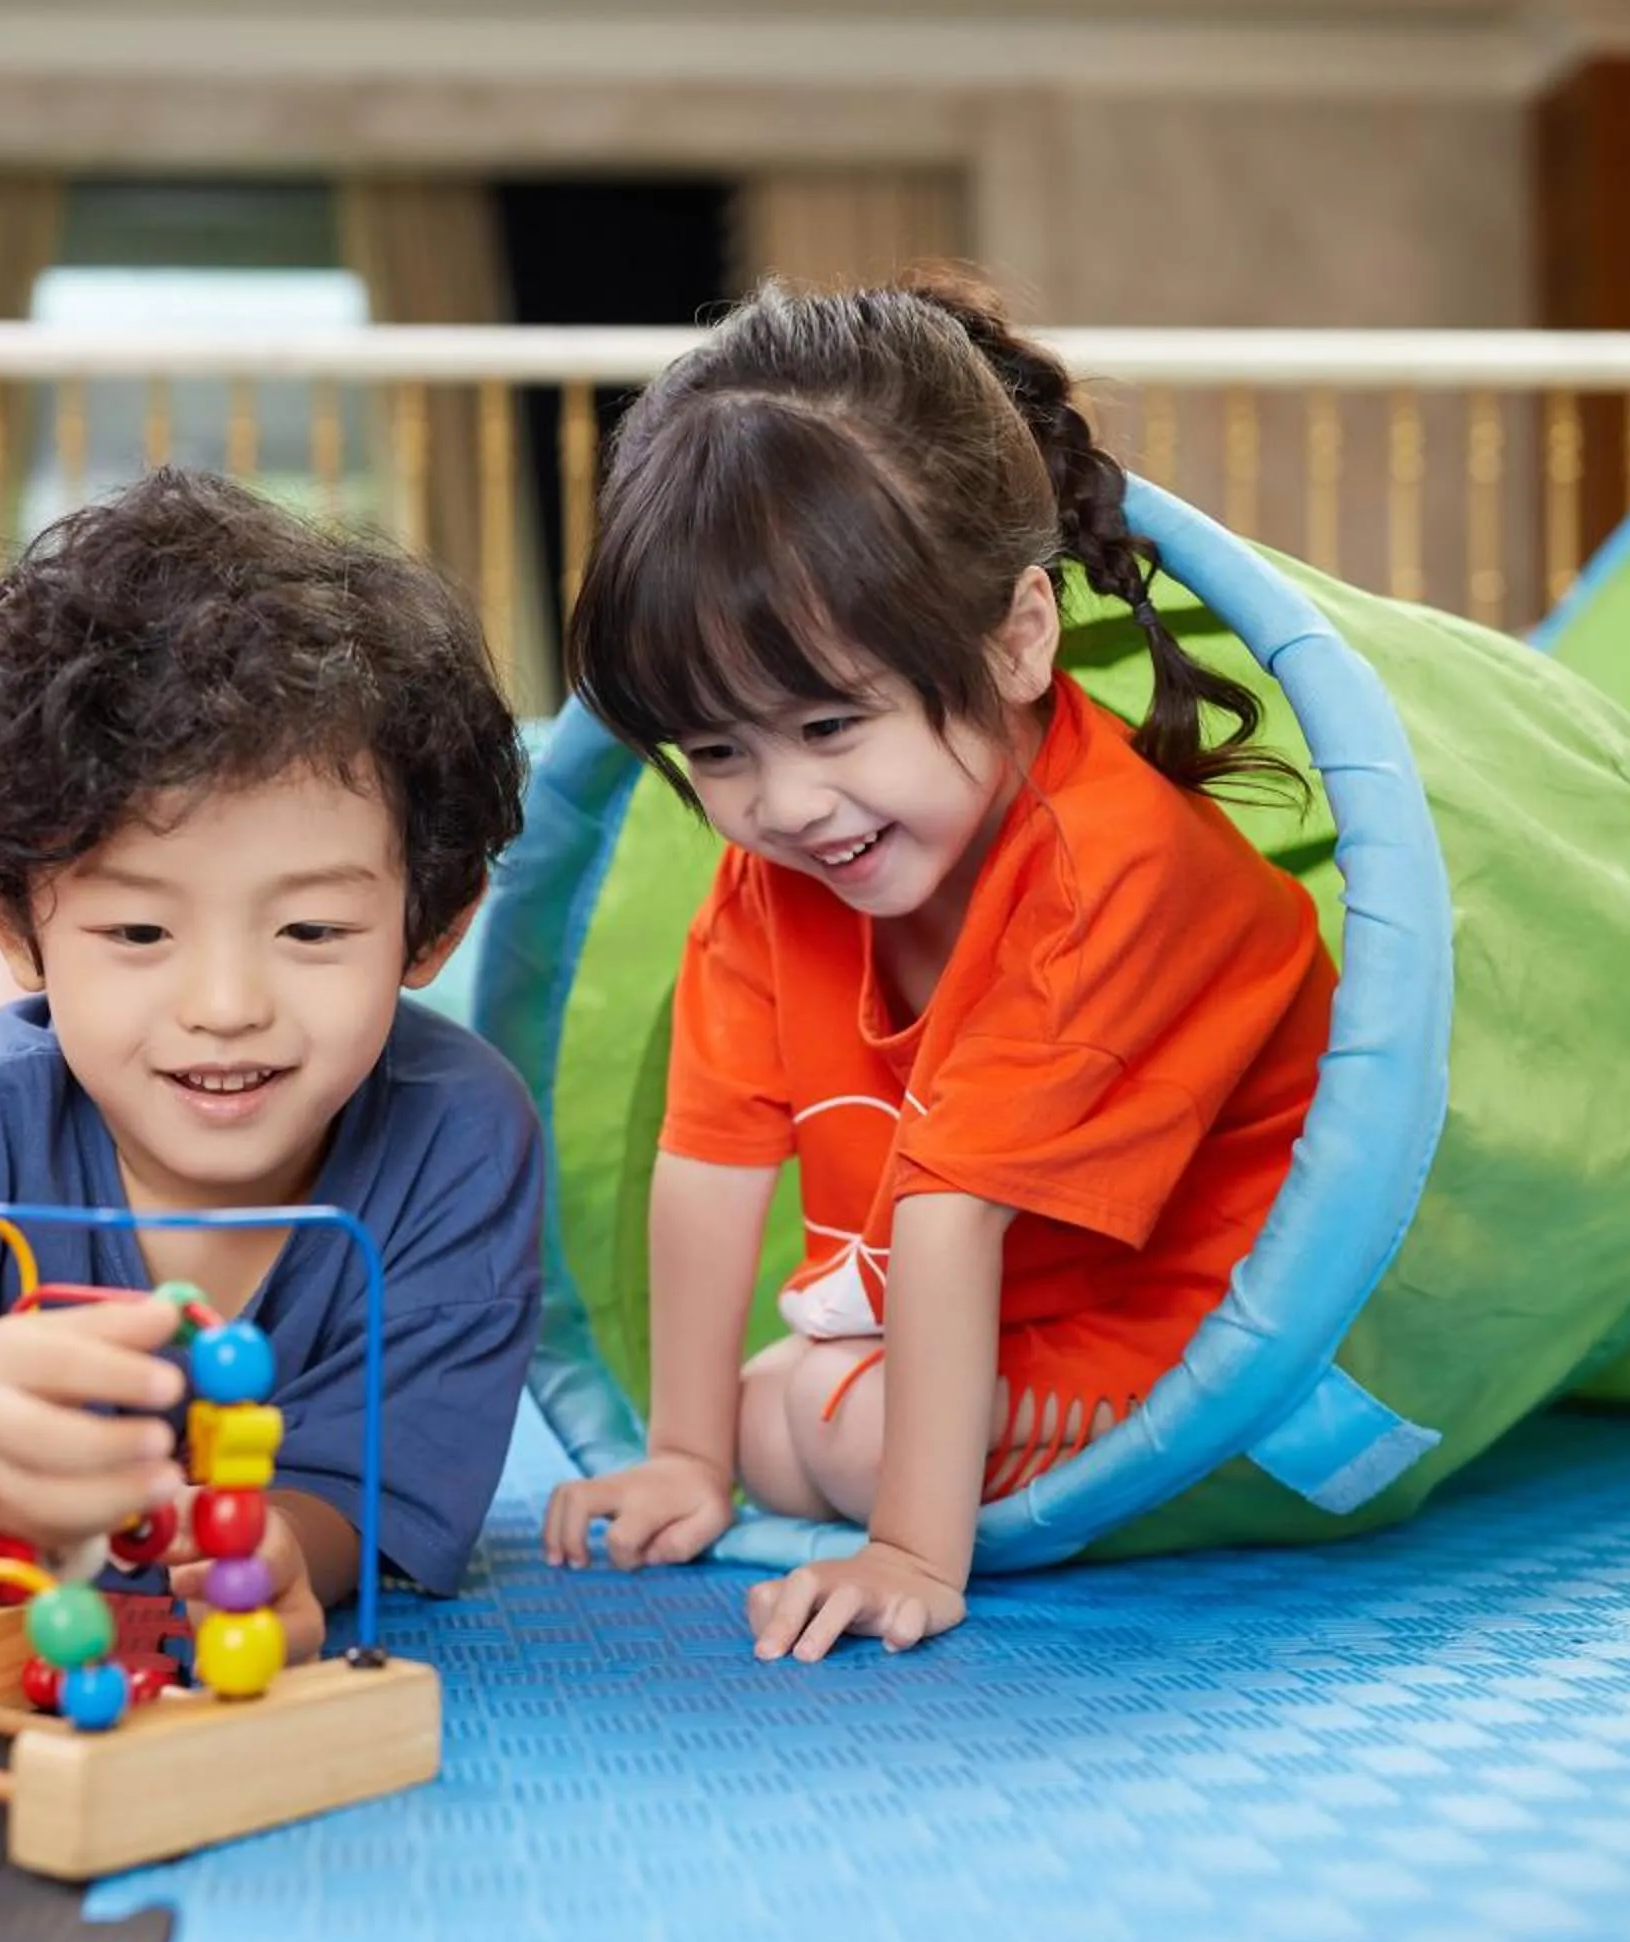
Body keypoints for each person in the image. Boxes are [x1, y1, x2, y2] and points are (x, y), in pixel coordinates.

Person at [538, 268, 1337, 1665]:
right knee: (764, 1421)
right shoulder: (778, 876)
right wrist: (680, 1455)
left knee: (805, 1422)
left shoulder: (1109, 867)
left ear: (1022, 637)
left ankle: (903, 1457)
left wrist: (911, 1555)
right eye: (721, 751)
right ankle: (844, 1423)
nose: (785, 804)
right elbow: (709, 1155)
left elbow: (955, 1224)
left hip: (1200, 1353)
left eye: (834, 724)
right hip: (991, 1330)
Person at [0, 469, 543, 1665]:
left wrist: (280, 1542)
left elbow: (366, 1485)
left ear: (430, 928)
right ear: (12, 924)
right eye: (138, 932)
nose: (226, 1007)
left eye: (312, 932)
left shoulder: (459, 1139)